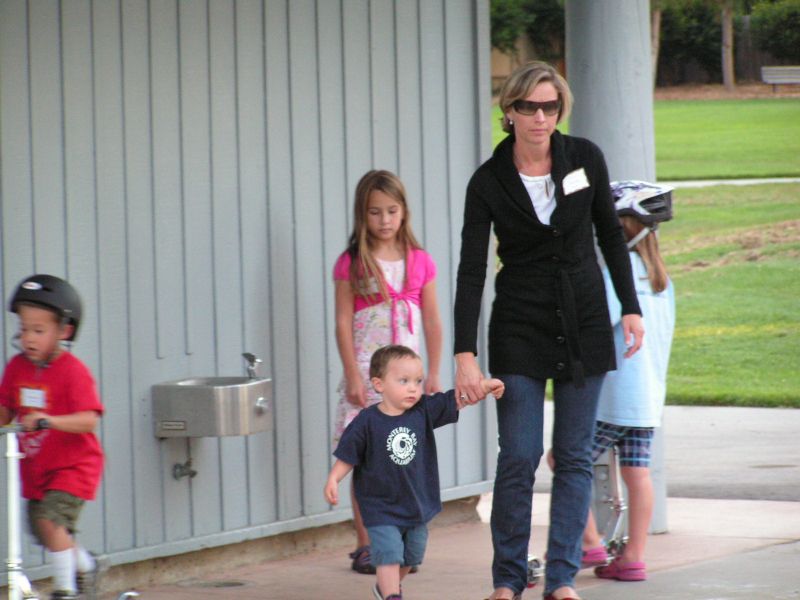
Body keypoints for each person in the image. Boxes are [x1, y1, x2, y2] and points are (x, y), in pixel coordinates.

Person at [453, 61, 644, 600]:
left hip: (584, 320)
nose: (540, 117)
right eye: (528, 107)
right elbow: (472, 270)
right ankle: (508, 579)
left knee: (576, 454)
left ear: (560, 109)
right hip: (520, 324)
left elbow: (610, 234)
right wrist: (465, 353)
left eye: (550, 107)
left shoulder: (584, 157)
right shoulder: (488, 181)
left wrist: (630, 307)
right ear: (509, 112)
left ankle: (560, 579)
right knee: (518, 453)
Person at [324, 345, 505, 600]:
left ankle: (388, 588)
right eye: (403, 381)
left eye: (417, 381)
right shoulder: (367, 421)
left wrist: (483, 387)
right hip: (381, 506)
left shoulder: (422, 411)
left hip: (417, 504)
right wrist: (334, 478)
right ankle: (391, 595)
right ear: (379, 384)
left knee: (411, 556)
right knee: (388, 553)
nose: (413, 388)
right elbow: (347, 455)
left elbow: (455, 399)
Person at [332, 169, 443, 574]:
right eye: (374, 212)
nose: (384, 220)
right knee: (366, 460)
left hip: (405, 383)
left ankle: (398, 539)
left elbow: (431, 321)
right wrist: (353, 376)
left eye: (391, 211)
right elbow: (343, 322)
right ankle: (367, 544)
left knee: (402, 458)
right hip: (367, 374)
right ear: (363, 215)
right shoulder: (352, 264)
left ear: (404, 212)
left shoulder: (420, 262)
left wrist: (431, 373)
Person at [580, 181, 676, 582]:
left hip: (613, 397)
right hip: (646, 399)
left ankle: (589, 542)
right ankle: (634, 556)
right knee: (637, 474)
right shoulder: (661, 280)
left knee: (567, 460)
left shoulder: (620, 274)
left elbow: (597, 325)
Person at [0, 274, 105, 600]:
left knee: (50, 519)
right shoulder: (17, 367)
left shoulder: (73, 371)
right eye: (24, 329)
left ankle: (66, 589)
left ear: (64, 331)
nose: (28, 338)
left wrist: (49, 420)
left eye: (39, 330)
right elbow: (6, 408)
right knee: (43, 530)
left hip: (74, 466)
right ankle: (86, 565)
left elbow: (89, 420)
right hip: (37, 469)